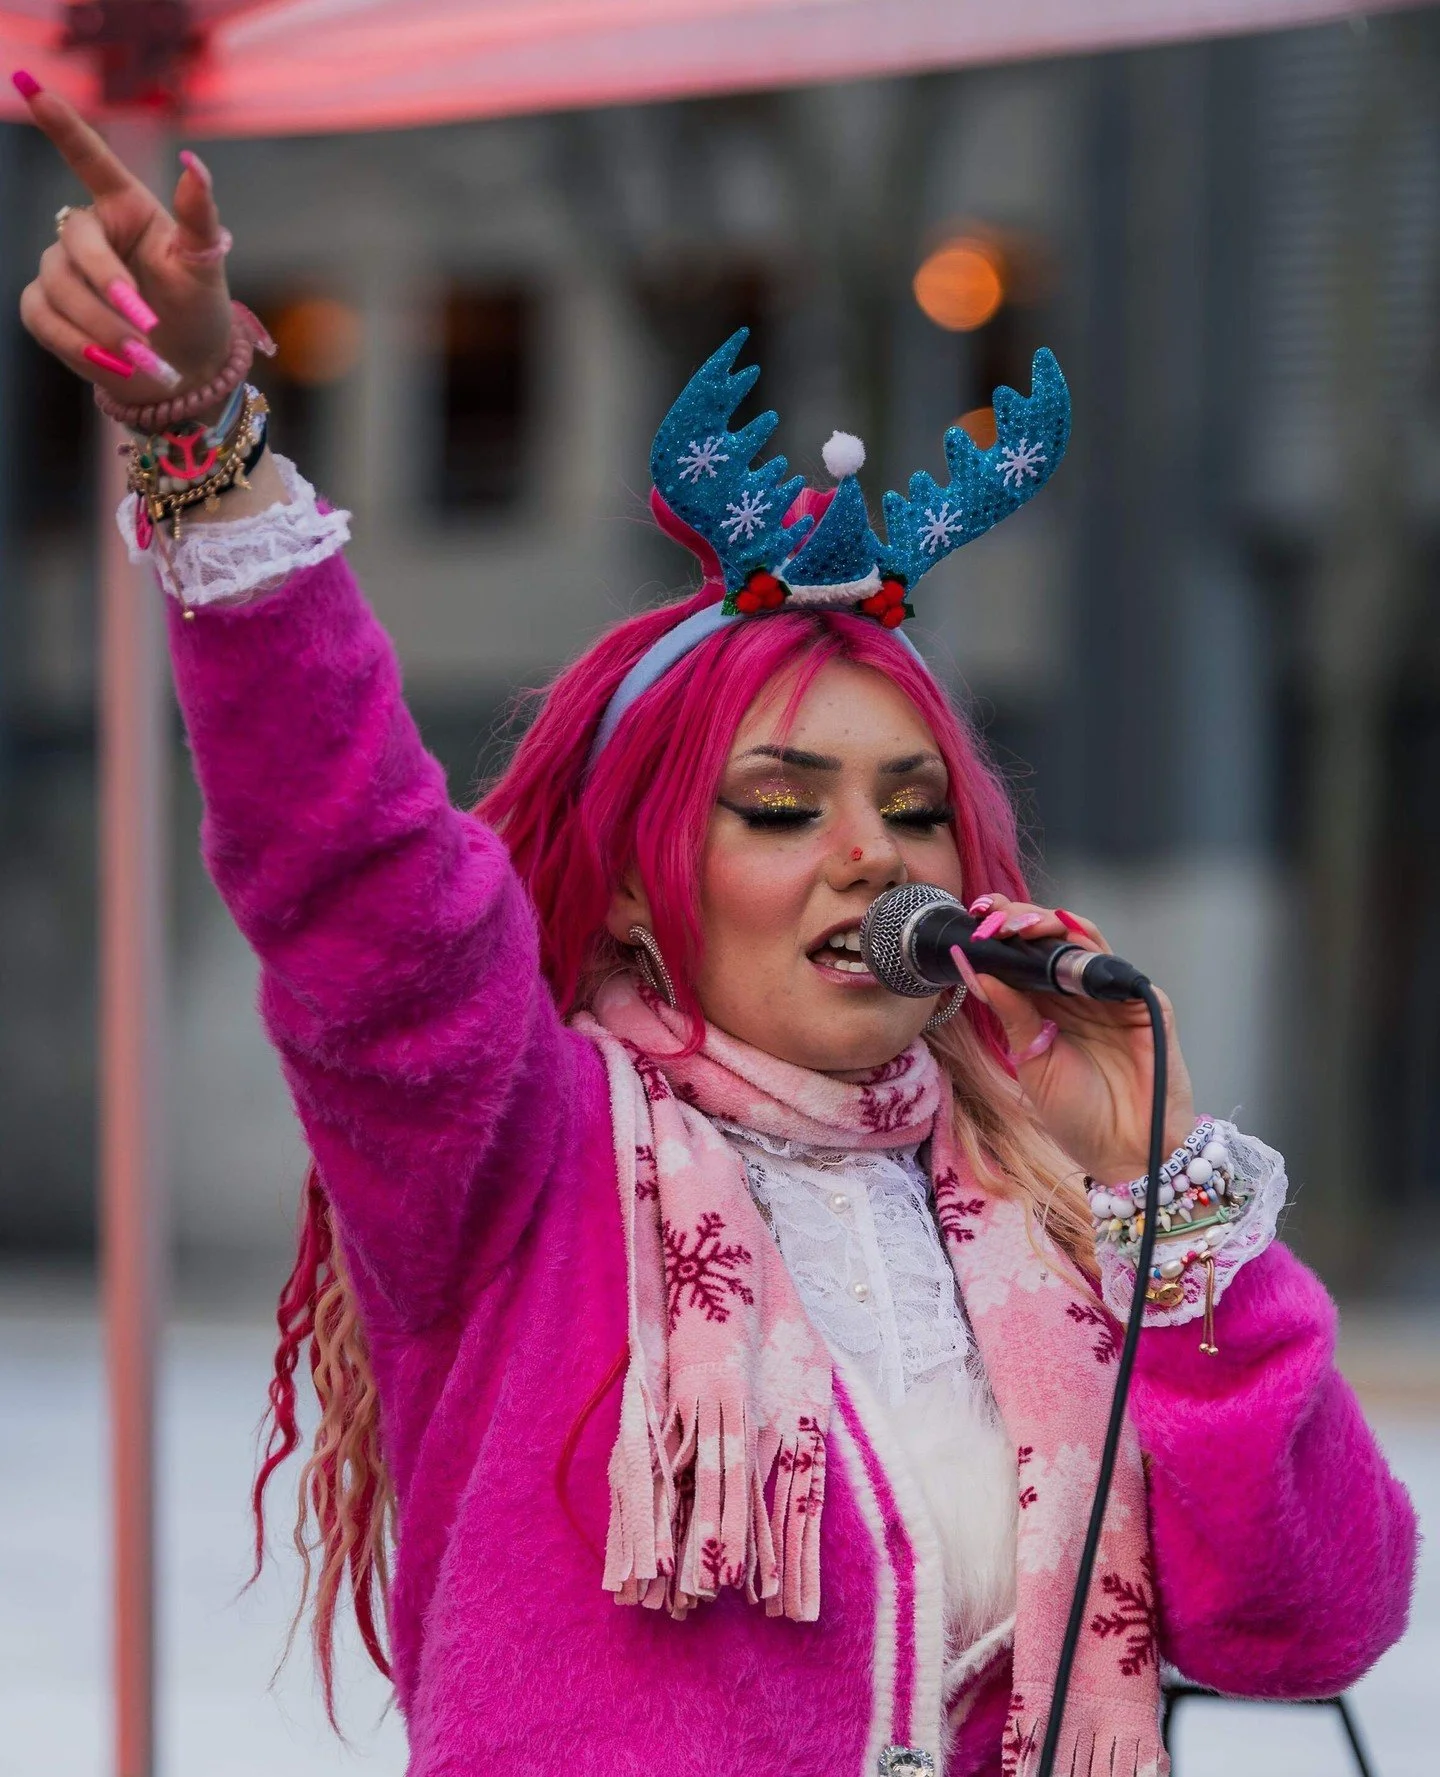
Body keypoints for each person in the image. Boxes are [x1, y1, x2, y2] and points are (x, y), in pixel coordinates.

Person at [14, 76, 1417, 1777]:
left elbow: (1311, 1618)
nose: (866, 856)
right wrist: (207, 442)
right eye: (779, 808)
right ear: (627, 884)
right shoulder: (514, 1154)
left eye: (913, 810)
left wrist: (1162, 1205)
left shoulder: (1040, 1214)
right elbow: (355, 863)